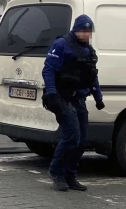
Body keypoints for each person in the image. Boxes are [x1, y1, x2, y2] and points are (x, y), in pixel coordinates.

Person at [42, 14, 105, 192]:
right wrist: (52, 94)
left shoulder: (89, 51)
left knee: (82, 140)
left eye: (89, 31)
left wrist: (99, 98)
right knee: (72, 136)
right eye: (83, 31)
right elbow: (48, 70)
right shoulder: (62, 45)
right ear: (76, 30)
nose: (86, 34)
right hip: (62, 96)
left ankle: (70, 175)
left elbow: (92, 77)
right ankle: (56, 172)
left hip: (78, 98)